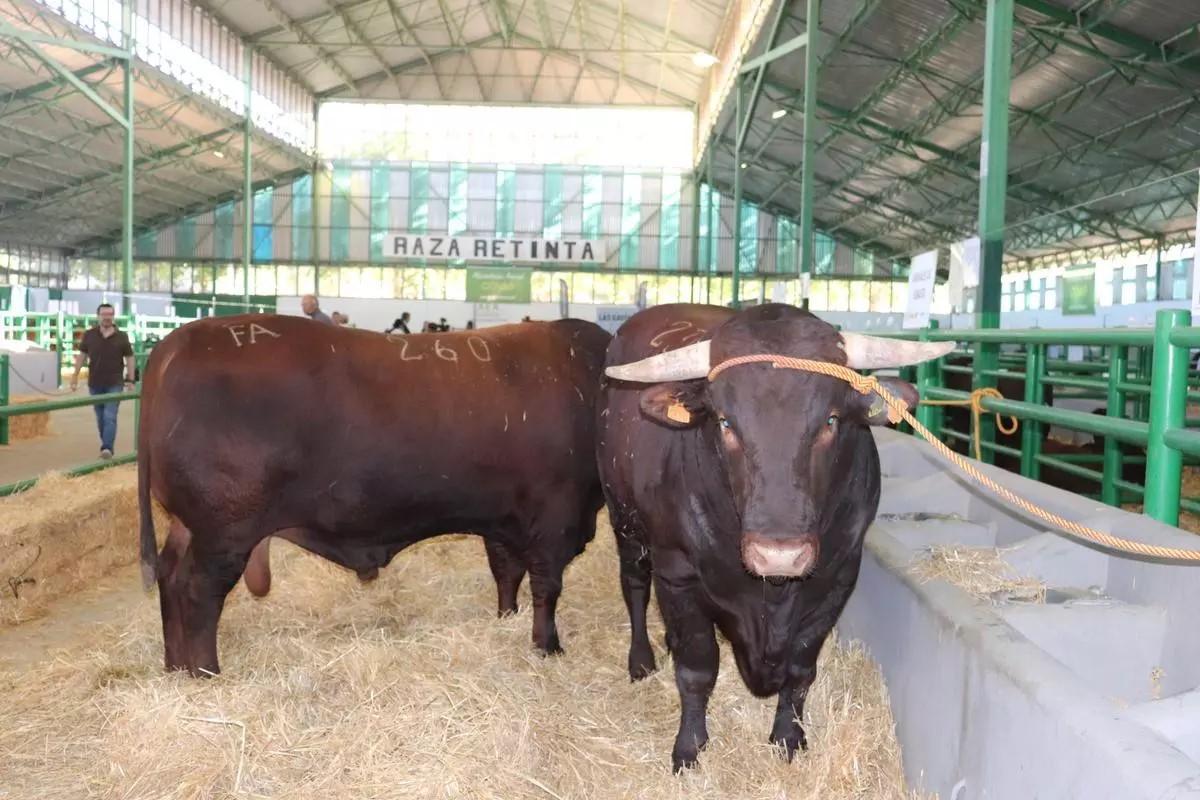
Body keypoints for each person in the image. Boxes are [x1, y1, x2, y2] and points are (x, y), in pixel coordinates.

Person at [70, 303, 135, 460]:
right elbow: (82, 355)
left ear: (113, 316)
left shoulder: (122, 336)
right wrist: (75, 375)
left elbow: (130, 358)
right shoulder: (89, 335)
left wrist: (131, 379)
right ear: (98, 316)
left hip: (115, 382)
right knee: (100, 417)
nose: (107, 317)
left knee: (109, 415)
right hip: (95, 383)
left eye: (110, 314)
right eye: (104, 314)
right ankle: (106, 442)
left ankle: (107, 448)